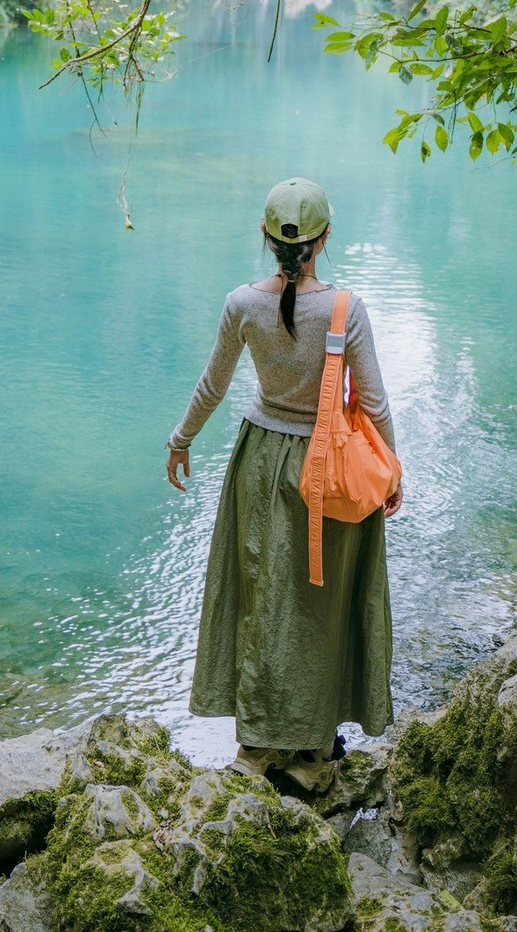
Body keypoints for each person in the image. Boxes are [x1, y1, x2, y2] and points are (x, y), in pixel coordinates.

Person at [165, 177, 401, 793]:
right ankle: (313, 752)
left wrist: (180, 440)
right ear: (324, 239)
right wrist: (391, 472)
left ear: (266, 237)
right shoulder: (346, 309)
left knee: (262, 601)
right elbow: (374, 403)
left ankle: (256, 746)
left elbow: (213, 385)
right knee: (322, 605)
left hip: (261, 462)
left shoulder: (241, 304)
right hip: (332, 474)